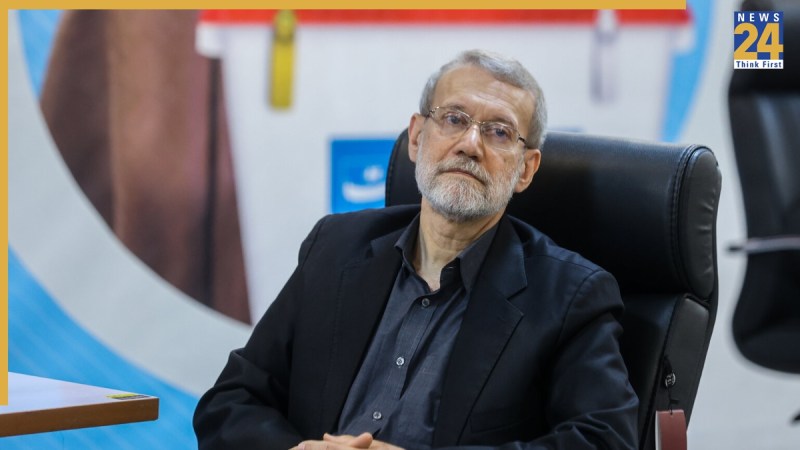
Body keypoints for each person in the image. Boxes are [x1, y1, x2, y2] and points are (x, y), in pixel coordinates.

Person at [193, 49, 639, 450]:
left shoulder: (570, 296)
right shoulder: (335, 248)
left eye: (499, 132)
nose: (470, 145)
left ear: (526, 170)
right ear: (416, 136)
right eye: (454, 119)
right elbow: (231, 401)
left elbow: (605, 441)